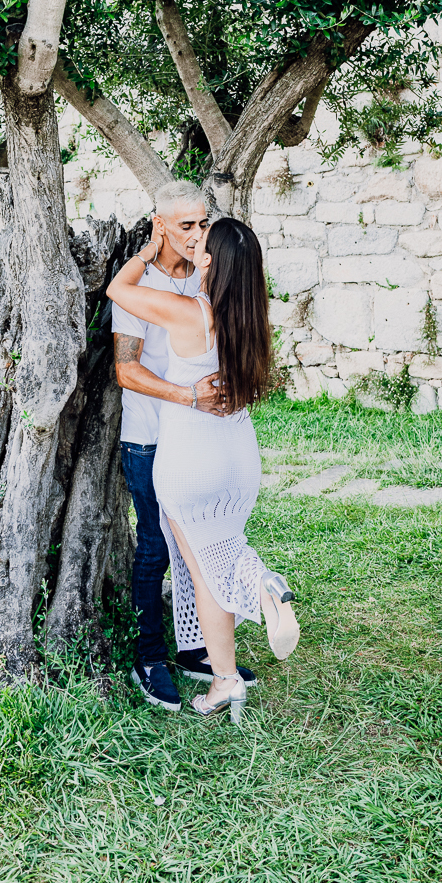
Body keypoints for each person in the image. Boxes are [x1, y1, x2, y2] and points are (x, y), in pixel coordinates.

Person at [108, 214, 299, 722]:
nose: (195, 238)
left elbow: (118, 290)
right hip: (238, 460)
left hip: (190, 462)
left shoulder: (190, 312)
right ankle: (225, 676)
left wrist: (149, 252)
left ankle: (258, 589)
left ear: (210, 260)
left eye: (203, 238)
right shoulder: (250, 318)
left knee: (206, 573)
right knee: (216, 562)